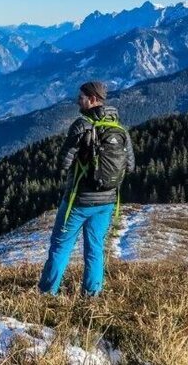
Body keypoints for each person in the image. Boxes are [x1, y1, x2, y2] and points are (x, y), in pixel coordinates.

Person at [37, 81, 134, 296]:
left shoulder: (82, 126)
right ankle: (91, 296)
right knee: (95, 250)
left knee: (60, 247)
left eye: (81, 97)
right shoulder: (120, 130)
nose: (77, 101)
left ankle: (46, 293)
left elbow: (63, 162)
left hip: (79, 201)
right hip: (107, 202)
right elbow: (130, 165)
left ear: (92, 99)